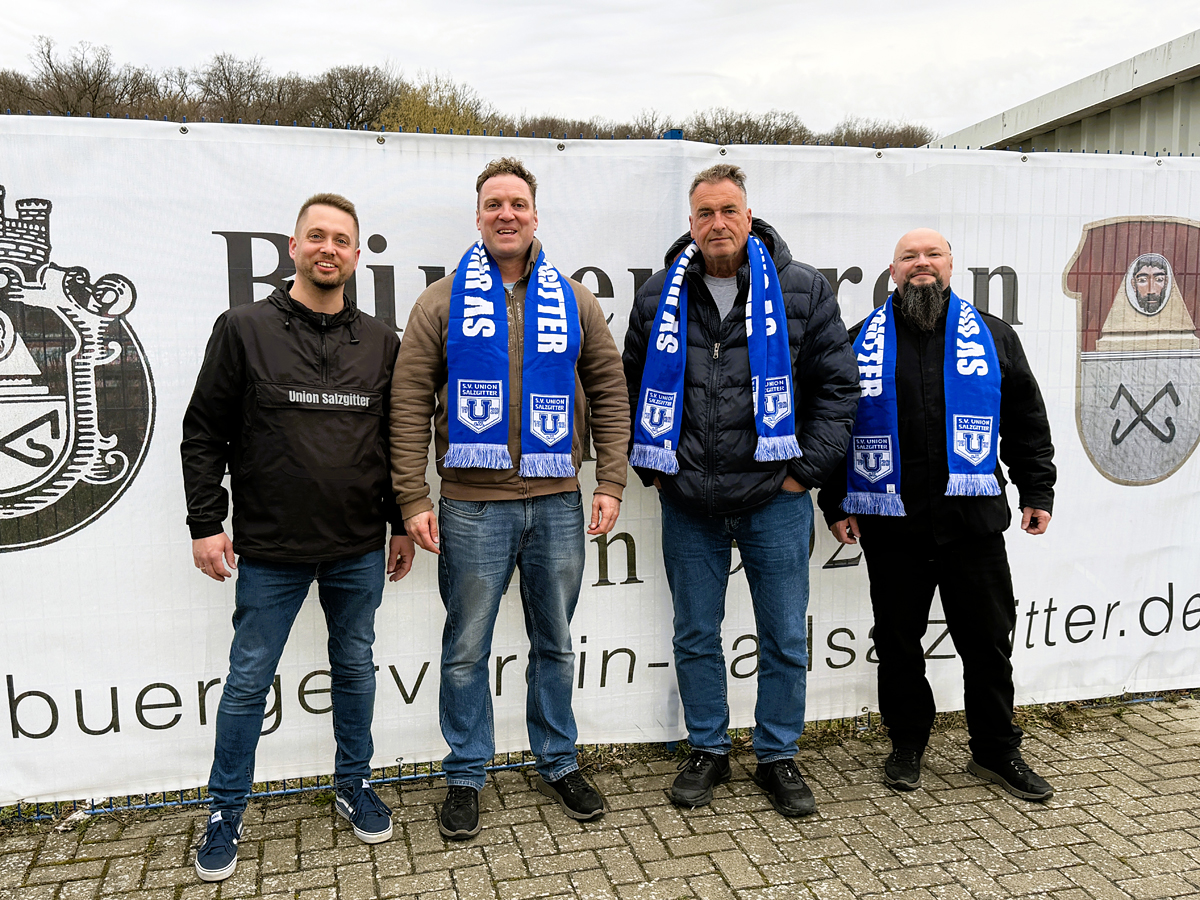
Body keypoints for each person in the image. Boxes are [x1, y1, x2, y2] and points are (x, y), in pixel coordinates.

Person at [389, 157, 629, 840]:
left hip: (557, 503)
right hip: (471, 506)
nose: (506, 214)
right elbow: (407, 402)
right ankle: (467, 773)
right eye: (494, 204)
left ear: (535, 214)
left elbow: (610, 391)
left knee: (555, 642)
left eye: (517, 203)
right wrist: (412, 497)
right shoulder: (440, 301)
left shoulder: (575, 300)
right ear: (478, 217)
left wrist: (611, 481)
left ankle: (558, 761)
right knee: (466, 647)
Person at [182, 194, 414, 881]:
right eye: (317, 236)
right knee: (248, 680)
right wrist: (205, 523)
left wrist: (399, 523)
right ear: (293, 246)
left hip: (356, 547)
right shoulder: (243, 328)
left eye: (341, 240)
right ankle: (225, 810)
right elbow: (203, 434)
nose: (328, 249)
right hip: (270, 549)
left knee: (355, 668)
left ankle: (353, 784)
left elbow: (394, 442)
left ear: (357, 255)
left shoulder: (382, 341)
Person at [622, 164, 858, 817]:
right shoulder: (659, 295)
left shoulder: (802, 288)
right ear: (691, 223)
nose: (718, 223)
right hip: (688, 502)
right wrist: (655, 469)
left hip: (774, 499)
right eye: (706, 213)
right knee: (696, 633)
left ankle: (777, 755)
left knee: (783, 636)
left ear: (749, 218)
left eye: (729, 210)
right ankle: (708, 749)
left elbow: (839, 390)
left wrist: (803, 473)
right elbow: (630, 385)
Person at [818, 227, 1056, 801]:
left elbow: (1025, 418)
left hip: (972, 523)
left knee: (988, 642)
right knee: (899, 644)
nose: (920, 263)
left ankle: (996, 750)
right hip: (892, 523)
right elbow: (835, 425)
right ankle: (906, 744)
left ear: (951, 265)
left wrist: (1037, 490)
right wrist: (835, 500)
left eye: (932, 254)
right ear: (893, 270)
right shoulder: (859, 340)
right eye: (909, 256)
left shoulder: (993, 336)